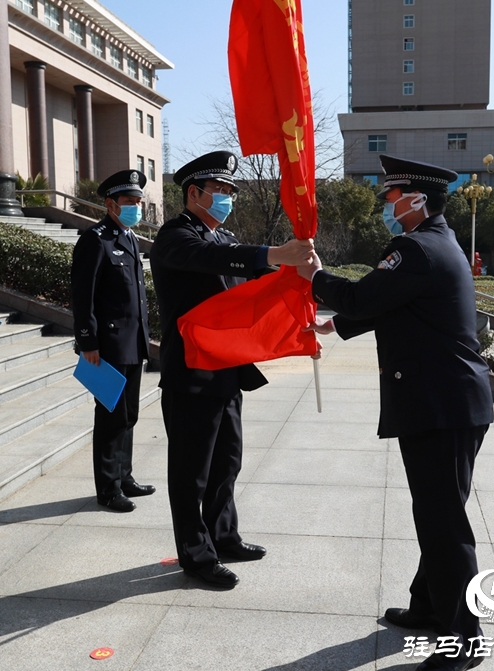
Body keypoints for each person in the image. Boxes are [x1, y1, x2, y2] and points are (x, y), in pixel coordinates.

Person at [299, 155, 494, 671]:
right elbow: (396, 305)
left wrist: (316, 278)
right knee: (435, 514)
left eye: (391, 197)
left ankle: (466, 639)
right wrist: (336, 327)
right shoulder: (436, 243)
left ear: (416, 200)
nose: (387, 205)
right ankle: (432, 606)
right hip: (448, 401)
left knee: (444, 523)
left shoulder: (417, 247)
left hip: (441, 405)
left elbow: (367, 296)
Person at [150, 151, 315, 589]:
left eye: (229, 192)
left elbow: (251, 287)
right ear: (193, 193)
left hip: (226, 369)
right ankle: (196, 554)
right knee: (192, 472)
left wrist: (297, 275)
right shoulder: (176, 236)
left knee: (226, 462)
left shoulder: (223, 239)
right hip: (192, 372)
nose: (226, 199)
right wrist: (275, 253)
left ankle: (223, 537)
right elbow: (213, 261)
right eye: (219, 191)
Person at [71, 170, 155, 513]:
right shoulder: (96, 239)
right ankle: (107, 488)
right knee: (110, 415)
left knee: (129, 414)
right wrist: (87, 340)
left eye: (138, 201)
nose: (136, 207)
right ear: (110, 204)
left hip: (133, 341)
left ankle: (124, 475)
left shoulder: (129, 237)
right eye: (129, 202)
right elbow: (83, 295)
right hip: (106, 344)